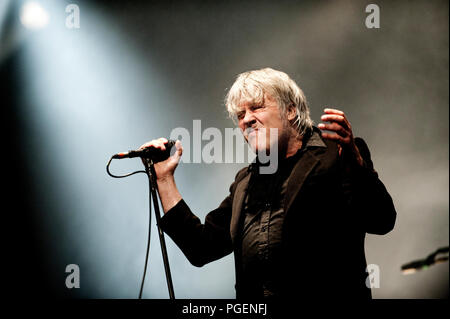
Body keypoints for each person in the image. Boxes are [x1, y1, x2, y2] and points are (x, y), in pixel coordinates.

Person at [139, 68, 396, 300]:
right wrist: (164, 178)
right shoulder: (245, 182)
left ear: (290, 110)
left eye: (257, 107)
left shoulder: (337, 155)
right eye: (240, 114)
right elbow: (201, 248)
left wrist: (355, 163)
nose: (247, 120)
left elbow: (381, 219)